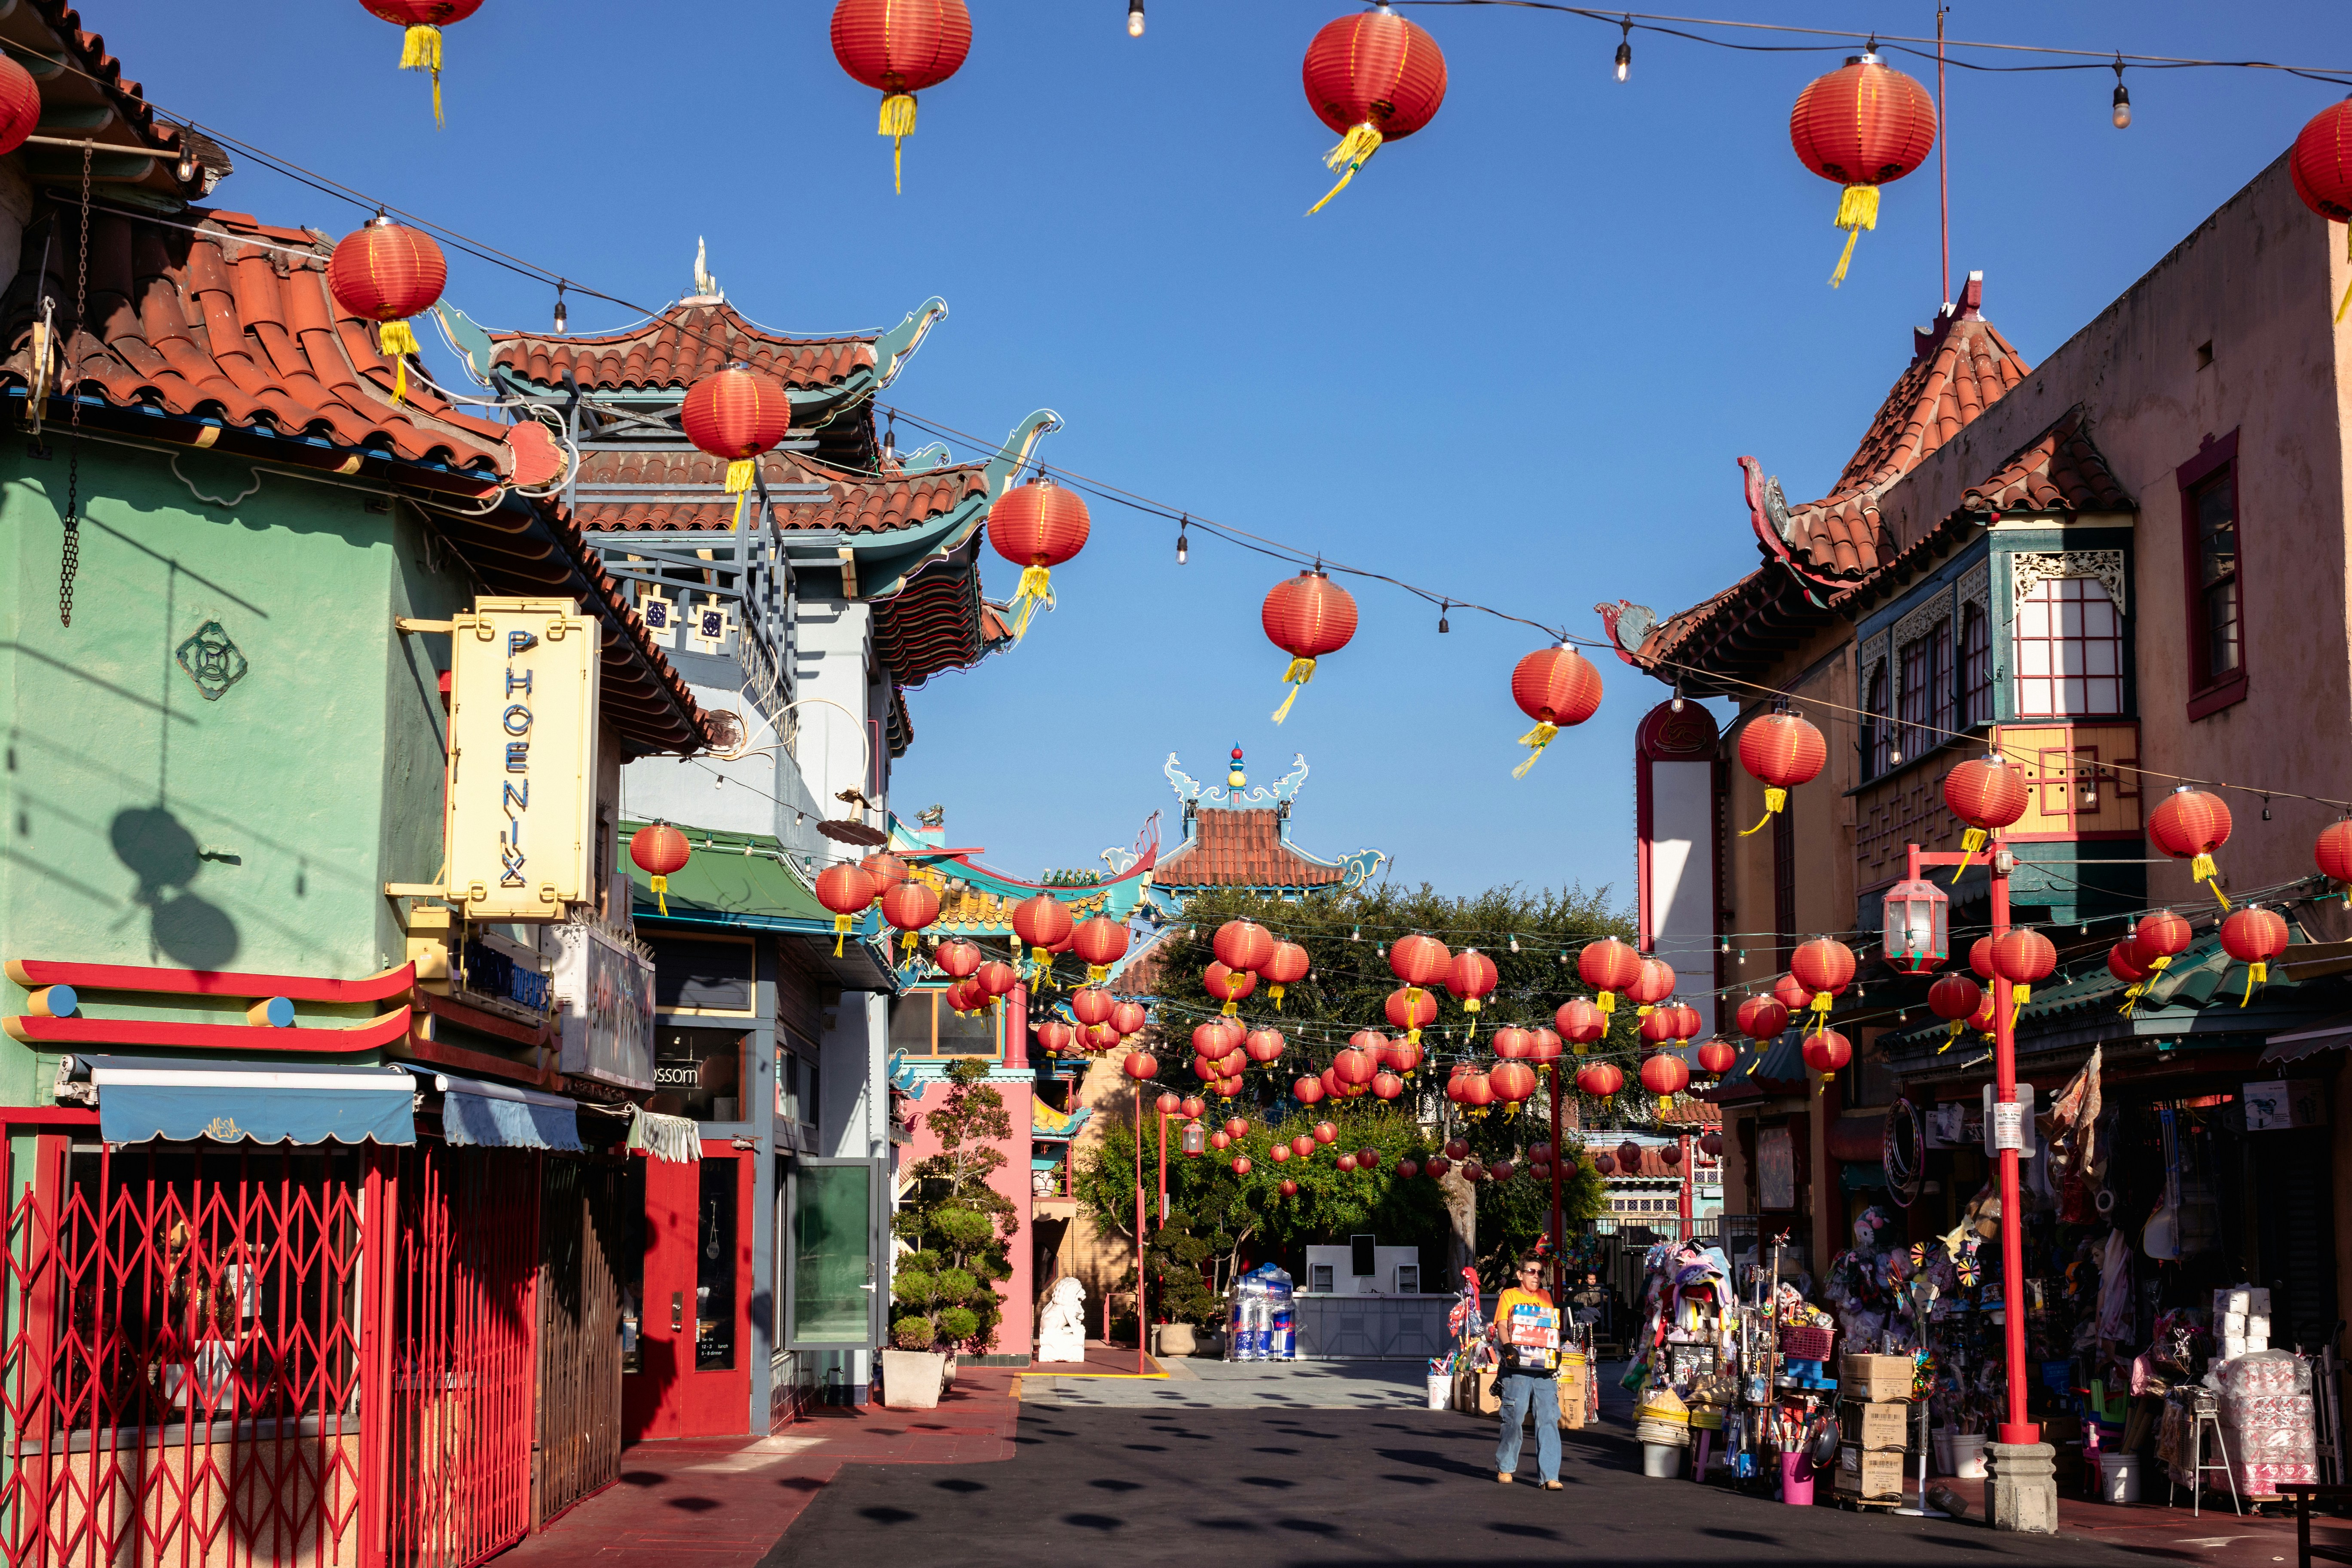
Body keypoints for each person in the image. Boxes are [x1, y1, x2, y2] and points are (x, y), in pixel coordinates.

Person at [1490, 1254, 1563, 1488]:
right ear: (1520, 1275)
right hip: (1517, 1366)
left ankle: (1550, 1476)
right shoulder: (1509, 1295)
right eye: (1531, 1272)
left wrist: (1557, 1350)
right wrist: (1508, 1346)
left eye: (1540, 1273)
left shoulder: (1545, 1297)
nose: (1536, 1277)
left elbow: (1551, 1327)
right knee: (1514, 1417)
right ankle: (1506, 1467)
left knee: (1549, 1419)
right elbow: (1502, 1324)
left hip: (1544, 1368)